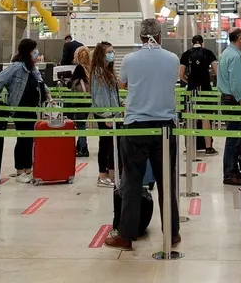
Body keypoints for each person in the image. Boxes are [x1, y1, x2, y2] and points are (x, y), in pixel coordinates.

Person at [105, 19, 181, 251]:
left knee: (132, 182)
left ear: (140, 37)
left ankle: (126, 236)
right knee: (166, 182)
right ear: (160, 37)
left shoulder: (129, 59)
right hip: (165, 128)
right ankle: (172, 232)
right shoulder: (172, 59)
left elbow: (124, 84)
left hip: (136, 126)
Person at [0, 38, 50, 182]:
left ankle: (28, 168)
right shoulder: (17, 67)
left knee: (29, 138)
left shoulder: (32, 68)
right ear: (28, 52)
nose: (37, 53)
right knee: (23, 138)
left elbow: (41, 82)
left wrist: (48, 95)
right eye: (34, 50)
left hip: (31, 107)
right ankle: (19, 171)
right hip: (19, 107)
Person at [217, 27, 241, 186]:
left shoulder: (226, 53)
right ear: (239, 39)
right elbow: (236, 82)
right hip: (234, 101)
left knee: (234, 136)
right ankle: (230, 173)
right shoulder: (235, 57)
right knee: (234, 138)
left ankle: (233, 170)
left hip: (227, 98)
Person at [179, 34, 218, 154]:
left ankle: (190, 146)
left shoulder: (186, 54)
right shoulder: (208, 53)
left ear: (192, 43)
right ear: (202, 42)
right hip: (205, 89)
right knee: (206, 117)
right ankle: (208, 147)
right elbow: (217, 70)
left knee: (191, 117)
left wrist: (189, 81)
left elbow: (180, 74)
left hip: (192, 90)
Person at [90, 42, 121, 187]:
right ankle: (102, 175)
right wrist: (108, 115)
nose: (112, 54)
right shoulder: (98, 72)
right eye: (109, 52)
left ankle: (112, 174)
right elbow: (101, 97)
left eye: (112, 51)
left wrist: (121, 102)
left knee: (112, 144)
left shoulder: (107, 71)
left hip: (113, 112)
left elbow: (112, 93)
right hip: (104, 114)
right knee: (105, 144)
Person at [68, 45, 92, 158]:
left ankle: (83, 148)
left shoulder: (78, 68)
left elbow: (70, 83)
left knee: (81, 125)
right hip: (88, 100)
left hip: (79, 100)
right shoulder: (90, 67)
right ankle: (80, 146)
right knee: (83, 122)